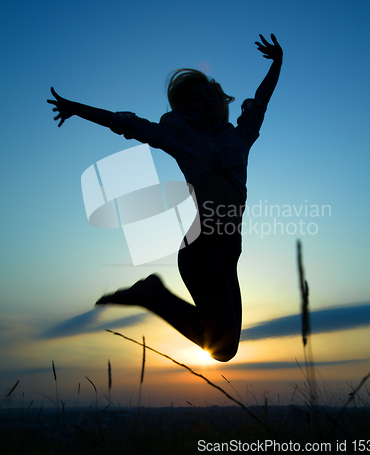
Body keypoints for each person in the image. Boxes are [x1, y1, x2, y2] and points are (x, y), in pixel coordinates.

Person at [48, 33, 283, 362]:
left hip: (230, 249)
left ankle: (153, 294)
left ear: (221, 98)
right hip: (202, 246)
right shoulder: (181, 137)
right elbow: (126, 123)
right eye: (196, 98)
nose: (206, 99)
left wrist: (277, 62)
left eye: (209, 94)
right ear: (187, 109)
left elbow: (261, 101)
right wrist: (76, 109)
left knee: (225, 347)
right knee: (222, 347)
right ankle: (152, 295)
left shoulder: (240, 137)